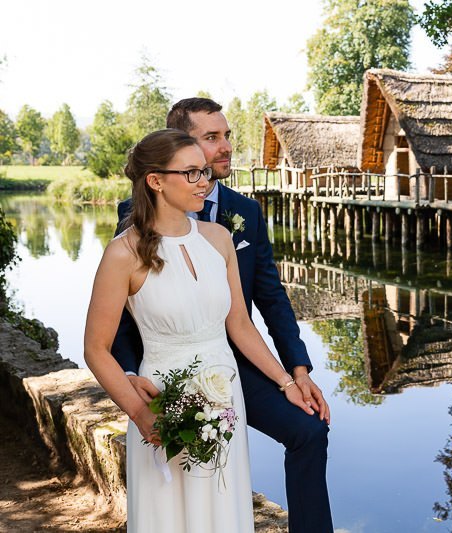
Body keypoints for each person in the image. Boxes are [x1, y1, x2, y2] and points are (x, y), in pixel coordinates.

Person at [112, 99, 333, 532]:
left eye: (227, 135)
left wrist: (297, 371)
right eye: (212, 138)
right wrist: (129, 376)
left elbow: (271, 297)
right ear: (180, 147)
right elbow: (120, 312)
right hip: (169, 366)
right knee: (183, 474)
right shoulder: (134, 217)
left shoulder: (244, 213)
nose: (225, 146)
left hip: (240, 359)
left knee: (309, 430)